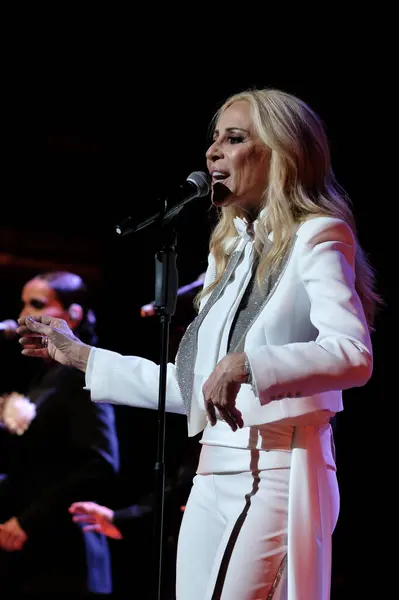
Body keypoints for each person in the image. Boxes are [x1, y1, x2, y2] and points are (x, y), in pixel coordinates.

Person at [17, 88, 379, 600]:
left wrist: (250, 363)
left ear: (281, 153)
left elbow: (352, 355)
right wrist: (82, 357)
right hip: (212, 473)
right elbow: (195, 389)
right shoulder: (228, 256)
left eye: (234, 139)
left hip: (277, 470)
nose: (212, 152)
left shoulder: (320, 236)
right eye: (213, 140)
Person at [0, 271, 120, 596]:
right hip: (33, 558)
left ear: (74, 315)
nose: (24, 315)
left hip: (66, 556)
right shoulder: (44, 379)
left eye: (37, 305)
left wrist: (28, 522)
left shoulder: (82, 377)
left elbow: (100, 462)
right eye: (22, 304)